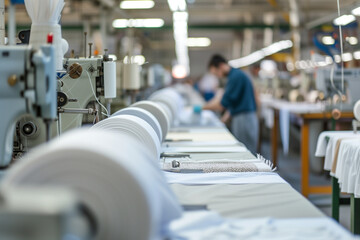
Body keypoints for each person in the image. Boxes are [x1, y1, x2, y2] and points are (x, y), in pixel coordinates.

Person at [203, 54, 259, 154]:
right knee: (245, 151)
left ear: (220, 66)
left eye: (216, 73)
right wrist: (223, 119)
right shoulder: (234, 75)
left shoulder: (235, 77)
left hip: (244, 119)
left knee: (246, 153)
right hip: (242, 117)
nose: (217, 76)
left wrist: (202, 108)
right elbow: (233, 102)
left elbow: (221, 105)